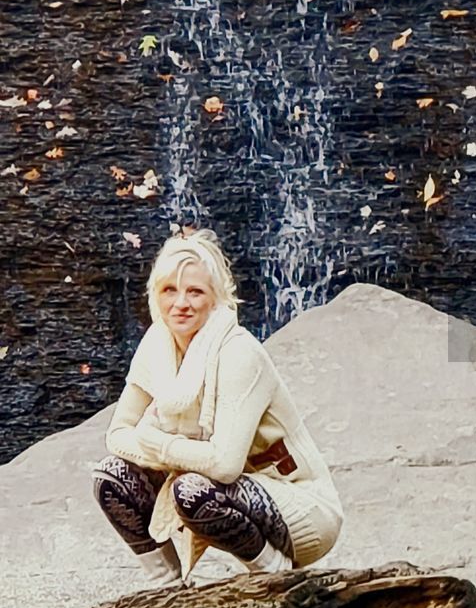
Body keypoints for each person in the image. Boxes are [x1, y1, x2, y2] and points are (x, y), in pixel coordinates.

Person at [92, 229, 343, 587]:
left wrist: (158, 444)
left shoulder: (238, 353)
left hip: (301, 508)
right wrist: (170, 453)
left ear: (215, 299)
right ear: (155, 296)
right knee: (112, 477)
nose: (181, 303)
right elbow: (117, 434)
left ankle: (274, 578)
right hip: (228, 492)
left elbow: (224, 465)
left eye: (195, 291)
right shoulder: (157, 347)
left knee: (191, 489)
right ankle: (166, 587)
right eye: (170, 290)